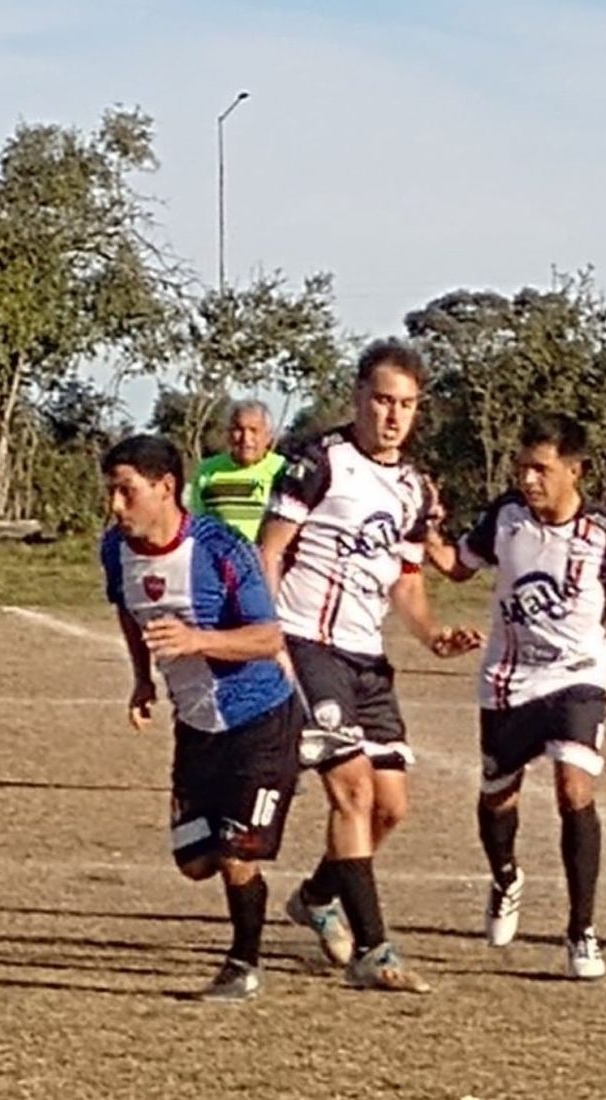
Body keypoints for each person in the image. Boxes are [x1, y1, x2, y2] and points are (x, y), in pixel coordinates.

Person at [424, 413, 606, 980]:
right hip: (508, 678)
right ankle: (506, 877)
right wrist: (423, 531)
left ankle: (582, 931)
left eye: (542, 469)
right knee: (496, 798)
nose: (529, 479)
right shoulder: (504, 517)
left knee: (572, 786)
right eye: (523, 467)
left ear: (573, 471)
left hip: (579, 675)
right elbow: (458, 568)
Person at [257, 338, 480, 994]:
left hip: (367, 657)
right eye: (382, 399)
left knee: (391, 807)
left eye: (406, 405)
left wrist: (432, 632)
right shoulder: (317, 462)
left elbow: (406, 580)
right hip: (307, 643)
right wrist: (269, 640)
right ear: (357, 396)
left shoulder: (413, 486)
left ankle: (319, 897)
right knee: (351, 791)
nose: (392, 415)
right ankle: (374, 949)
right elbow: (268, 552)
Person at [100, 433, 304, 1003]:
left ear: (165, 488)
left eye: (126, 491)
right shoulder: (115, 549)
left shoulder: (221, 549)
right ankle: (311, 893)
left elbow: (268, 637)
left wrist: (196, 639)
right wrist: (142, 677)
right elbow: (127, 608)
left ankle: (243, 966)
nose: (116, 506)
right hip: (197, 725)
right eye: (112, 492)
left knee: (238, 852)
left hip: (261, 719)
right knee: (195, 861)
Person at [188, 400, 286, 542]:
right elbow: (197, 522)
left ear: (268, 436)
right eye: (238, 430)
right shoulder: (207, 471)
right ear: (228, 434)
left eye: (254, 430)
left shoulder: (282, 470)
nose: (246, 439)